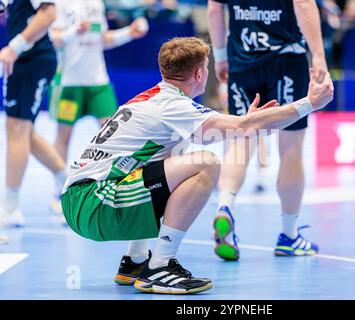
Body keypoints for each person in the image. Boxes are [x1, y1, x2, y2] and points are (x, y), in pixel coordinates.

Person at [61, 37, 333, 294]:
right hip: (95, 203)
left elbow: (237, 129)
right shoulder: (174, 106)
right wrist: (310, 104)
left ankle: (135, 261)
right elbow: (241, 127)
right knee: (206, 165)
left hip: (79, 199)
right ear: (200, 74)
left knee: (171, 160)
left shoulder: (152, 99)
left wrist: (247, 124)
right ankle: (160, 266)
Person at [208, 0, 330, 260]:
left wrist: (219, 56)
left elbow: (215, 9)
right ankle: (289, 235)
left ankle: (225, 206)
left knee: (241, 138)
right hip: (286, 59)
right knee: (291, 146)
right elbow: (303, 3)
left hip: (241, 59)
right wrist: (318, 55)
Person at [49, 0, 148, 167]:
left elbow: (103, 39)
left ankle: (109, 183)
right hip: (69, 83)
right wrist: (74, 32)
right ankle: (59, 186)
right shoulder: (60, 3)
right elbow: (54, 39)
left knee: (112, 135)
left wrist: (129, 33)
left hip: (98, 82)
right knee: (63, 136)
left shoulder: (97, 3)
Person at [0, 0, 67, 228]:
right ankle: (68, 183)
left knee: (17, 129)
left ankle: (10, 210)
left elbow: (48, 13)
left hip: (30, 58)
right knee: (24, 132)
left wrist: (15, 47)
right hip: (27, 58)